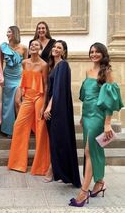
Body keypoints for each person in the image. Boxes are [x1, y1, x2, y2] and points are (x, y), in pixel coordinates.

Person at [69, 42, 124, 207]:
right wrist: (82, 116)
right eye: (91, 51)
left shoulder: (106, 72)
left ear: (103, 54)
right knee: (91, 151)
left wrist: (108, 123)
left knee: (89, 151)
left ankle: (84, 192)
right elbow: (87, 96)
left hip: (98, 117)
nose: (93, 54)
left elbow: (110, 98)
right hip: (86, 116)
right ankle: (99, 183)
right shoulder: (87, 71)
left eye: (97, 52)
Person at [8, 40, 50, 175]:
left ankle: (41, 167)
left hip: (39, 98)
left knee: (40, 129)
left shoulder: (44, 65)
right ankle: (17, 163)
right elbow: (22, 81)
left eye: (36, 45)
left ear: (40, 48)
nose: (33, 46)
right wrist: (18, 96)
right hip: (27, 97)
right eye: (32, 45)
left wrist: (45, 105)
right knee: (18, 126)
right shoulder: (24, 62)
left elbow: (46, 85)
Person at [43, 40, 81, 188]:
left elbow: (58, 90)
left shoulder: (63, 65)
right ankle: (60, 171)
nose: (56, 49)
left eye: (59, 47)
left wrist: (49, 107)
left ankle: (53, 170)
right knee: (56, 140)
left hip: (58, 109)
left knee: (58, 140)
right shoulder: (54, 66)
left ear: (64, 52)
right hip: (54, 107)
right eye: (54, 46)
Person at [1, 26, 27, 137]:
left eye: (9, 31)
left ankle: (21, 127)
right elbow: (0, 63)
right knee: (7, 104)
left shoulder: (24, 48)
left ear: (15, 33)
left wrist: (26, 78)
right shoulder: (3, 47)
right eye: (7, 32)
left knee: (17, 102)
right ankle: (8, 130)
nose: (7, 34)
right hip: (7, 76)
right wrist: (1, 77)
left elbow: (26, 64)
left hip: (19, 77)